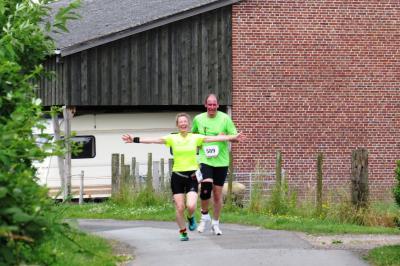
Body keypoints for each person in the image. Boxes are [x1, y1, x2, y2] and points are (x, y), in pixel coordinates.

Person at [122, 113, 243, 241]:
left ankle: (191, 217)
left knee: (191, 206)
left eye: (185, 121)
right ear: (177, 125)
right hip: (177, 176)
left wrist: (234, 136)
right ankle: (183, 231)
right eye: (181, 122)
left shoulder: (195, 137)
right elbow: (154, 140)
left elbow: (214, 139)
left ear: (189, 124)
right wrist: (134, 139)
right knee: (180, 207)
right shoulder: (172, 138)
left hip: (192, 177)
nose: (183, 124)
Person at [192, 94, 238, 235]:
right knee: (206, 186)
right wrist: (193, 158)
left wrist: (225, 136)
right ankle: (204, 216)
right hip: (205, 160)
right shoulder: (198, 119)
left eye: (214, 104)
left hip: (221, 161)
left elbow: (235, 138)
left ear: (218, 105)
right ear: (205, 105)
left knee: (217, 195)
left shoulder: (225, 118)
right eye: (209, 104)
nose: (212, 107)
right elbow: (193, 138)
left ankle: (215, 223)